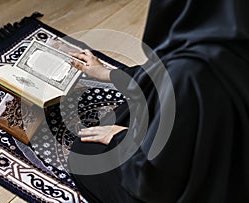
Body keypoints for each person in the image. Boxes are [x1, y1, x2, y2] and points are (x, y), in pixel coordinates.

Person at [67, 0, 249, 202]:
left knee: (84, 152)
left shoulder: (189, 71)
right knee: (138, 106)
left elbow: (153, 183)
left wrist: (121, 139)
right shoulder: (233, 36)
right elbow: (158, 77)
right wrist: (108, 74)